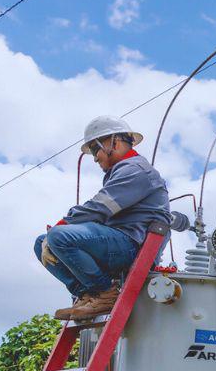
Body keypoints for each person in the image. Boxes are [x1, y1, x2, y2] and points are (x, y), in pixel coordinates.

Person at [34, 115, 172, 322]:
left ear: (114, 142)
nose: (95, 157)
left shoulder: (136, 170)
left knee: (58, 237)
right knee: (41, 244)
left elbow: (99, 208)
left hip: (132, 245)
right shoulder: (120, 170)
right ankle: (88, 295)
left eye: (94, 149)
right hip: (116, 242)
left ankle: (105, 293)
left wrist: (60, 227)